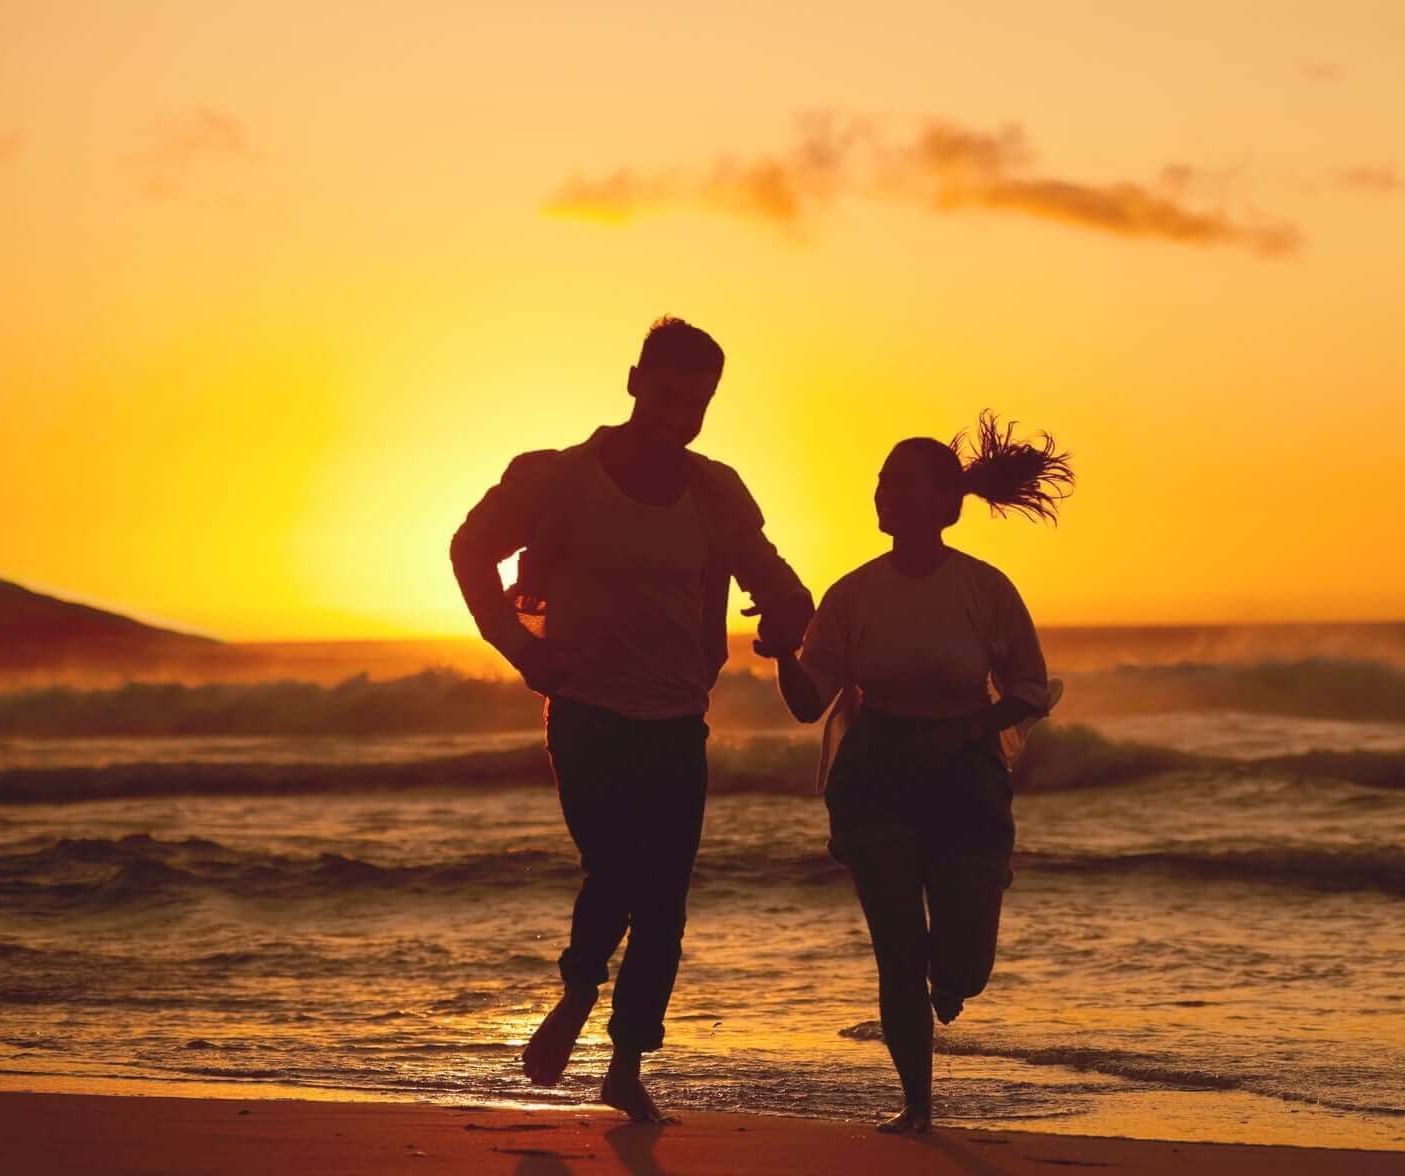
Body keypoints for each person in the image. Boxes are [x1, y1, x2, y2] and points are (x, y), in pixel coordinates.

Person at [450, 316, 813, 1121]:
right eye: (669, 394)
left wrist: (788, 617)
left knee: (664, 904)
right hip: (585, 715)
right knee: (616, 870)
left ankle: (625, 1064)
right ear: (634, 382)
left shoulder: (717, 493)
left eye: (699, 403)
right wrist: (519, 650)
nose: (681, 415)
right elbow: (469, 548)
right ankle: (578, 996)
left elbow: (783, 584)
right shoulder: (560, 480)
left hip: (678, 722)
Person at [768, 411, 1072, 1133]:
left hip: (965, 778)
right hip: (875, 776)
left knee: (964, 964)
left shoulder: (984, 589)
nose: (882, 495)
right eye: (879, 483)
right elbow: (811, 703)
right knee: (897, 949)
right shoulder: (852, 594)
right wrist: (783, 651)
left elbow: (1031, 689)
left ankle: (953, 979)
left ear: (946, 504)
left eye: (900, 484)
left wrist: (968, 728)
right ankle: (917, 1106)